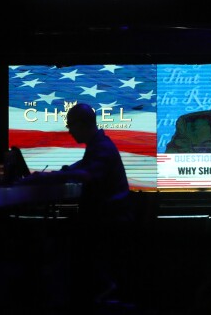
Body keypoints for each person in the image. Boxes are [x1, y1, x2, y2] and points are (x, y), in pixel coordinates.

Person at [18, 102, 131, 305]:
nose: (69, 131)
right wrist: (56, 174)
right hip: (107, 218)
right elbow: (79, 168)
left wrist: (46, 178)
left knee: (55, 245)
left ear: (82, 124)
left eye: (71, 125)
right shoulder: (99, 146)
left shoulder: (102, 147)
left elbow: (85, 174)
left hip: (106, 221)